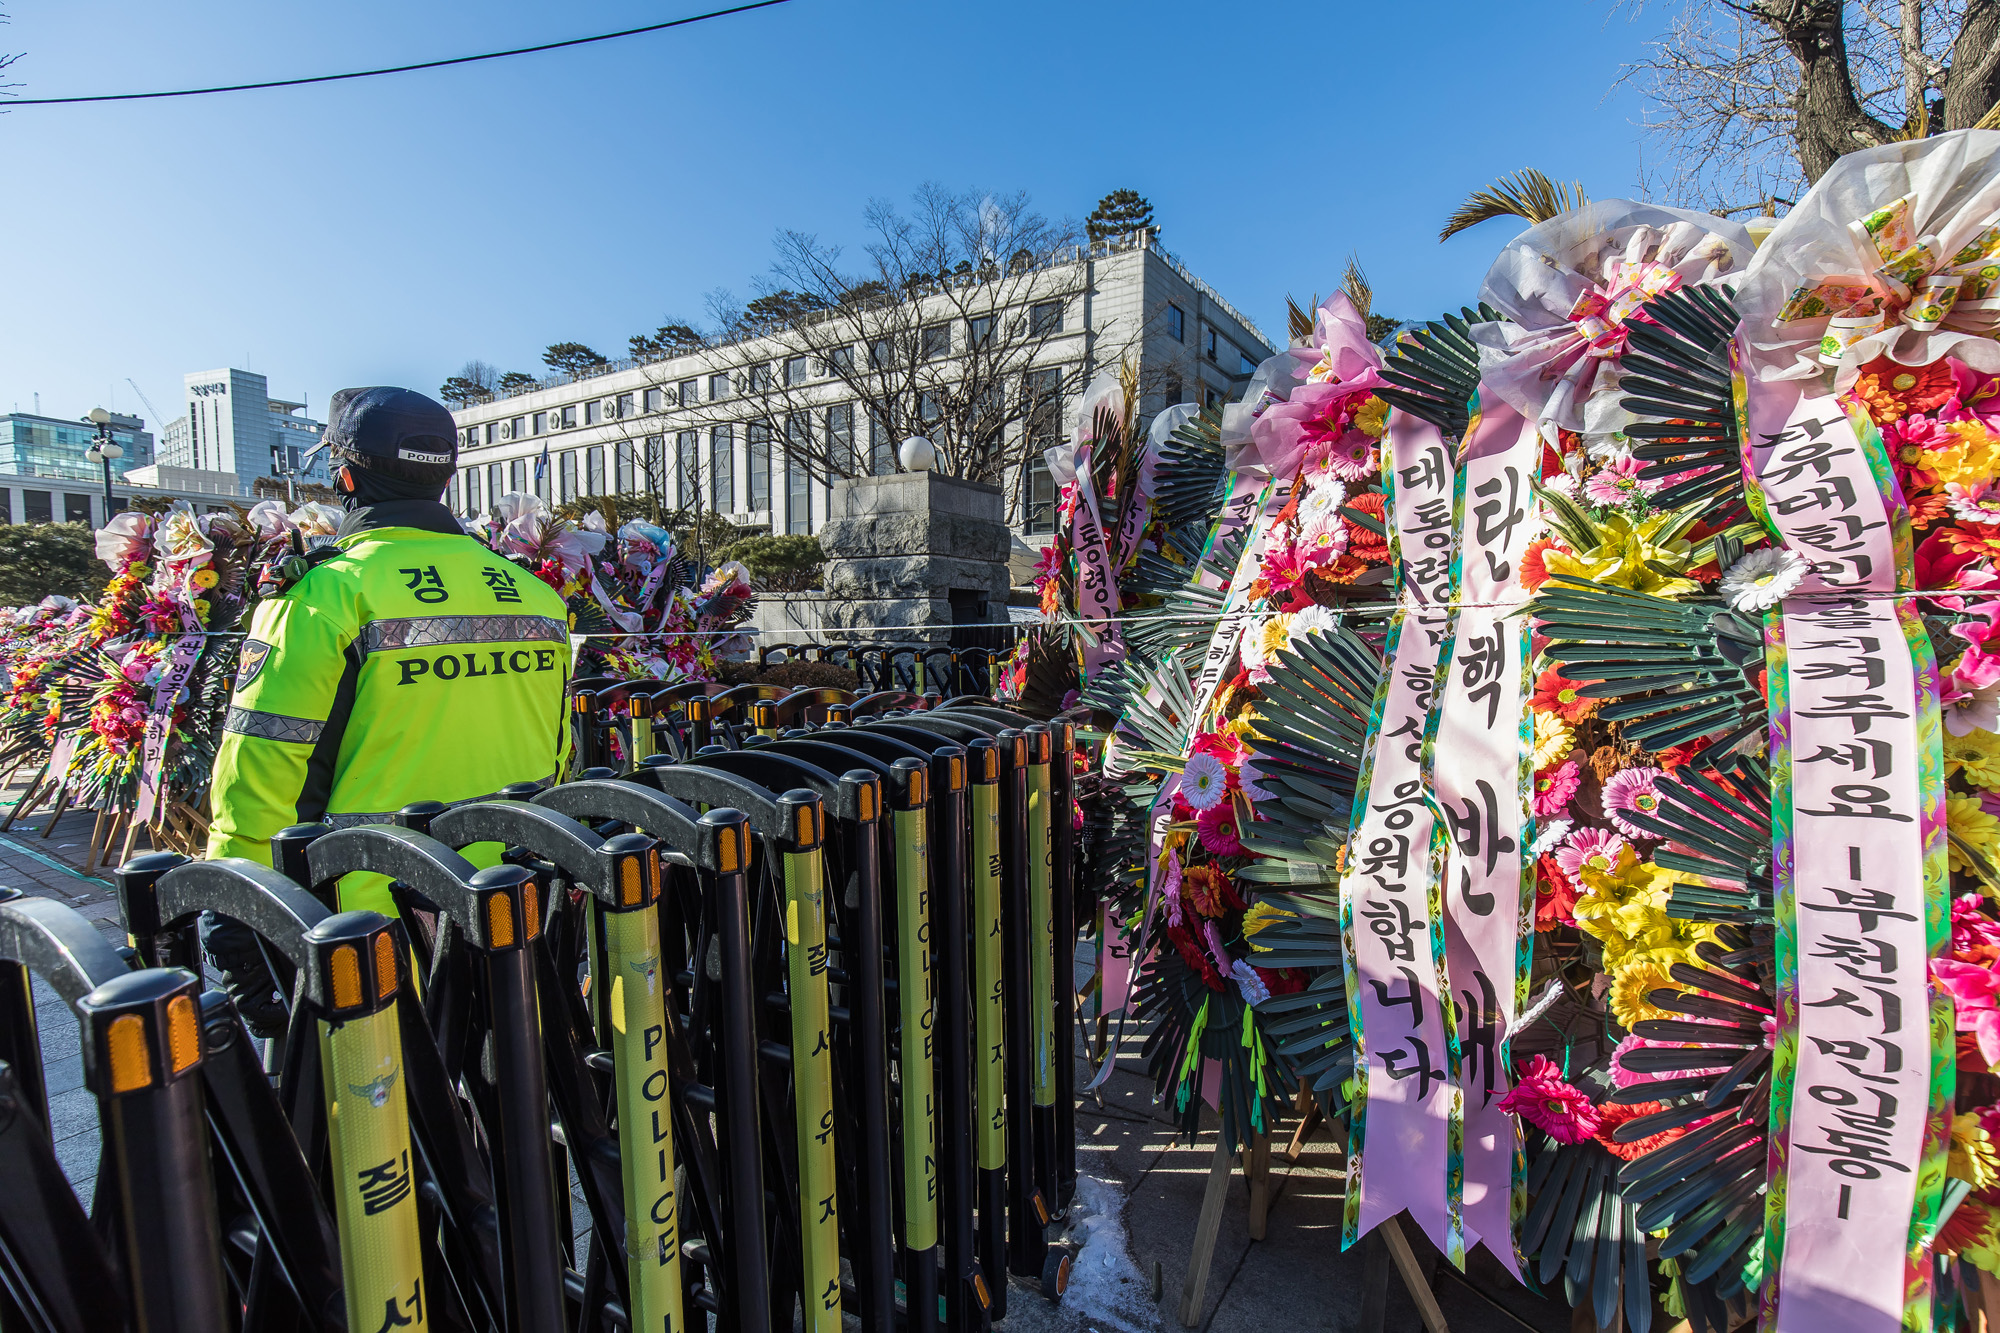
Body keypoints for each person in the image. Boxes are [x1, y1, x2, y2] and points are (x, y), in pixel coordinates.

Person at [204, 386, 570, 1033]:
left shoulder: (322, 597)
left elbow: (261, 782)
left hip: (365, 949)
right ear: (446, 476)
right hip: (516, 920)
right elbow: (558, 759)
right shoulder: (537, 599)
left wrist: (237, 915)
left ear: (345, 474)